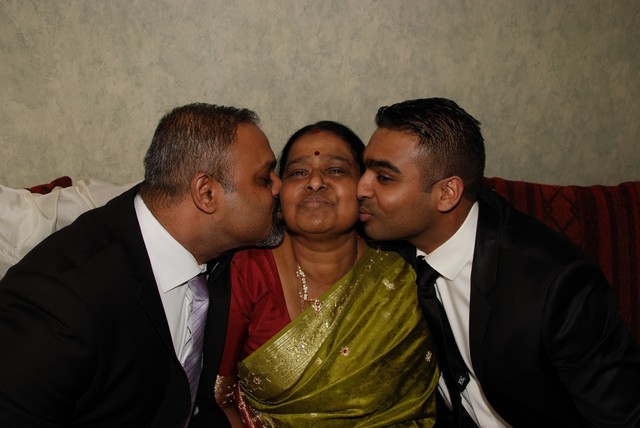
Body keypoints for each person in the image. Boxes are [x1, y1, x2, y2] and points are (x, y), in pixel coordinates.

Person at [356, 97, 640, 427]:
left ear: (447, 194)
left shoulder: (556, 287)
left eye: (384, 177)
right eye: (365, 169)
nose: (361, 187)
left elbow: (622, 417)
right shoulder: (397, 242)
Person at [0, 103, 283, 428]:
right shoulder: (58, 304)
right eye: (264, 178)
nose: (279, 186)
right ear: (206, 193)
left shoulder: (217, 251)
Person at [207, 121, 439, 427]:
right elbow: (219, 398)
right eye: (298, 172)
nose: (315, 182)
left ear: (363, 188)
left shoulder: (403, 273)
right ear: (279, 195)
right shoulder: (247, 270)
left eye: (336, 170)